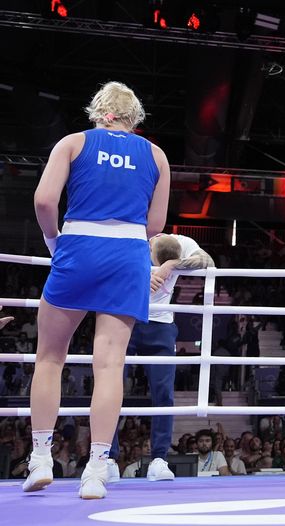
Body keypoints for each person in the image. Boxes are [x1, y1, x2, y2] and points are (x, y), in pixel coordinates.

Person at [23, 81, 170, 499]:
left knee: (50, 357)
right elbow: (155, 226)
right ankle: (97, 469)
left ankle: (40, 459)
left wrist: (55, 241)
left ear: (97, 111)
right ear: (134, 116)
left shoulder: (73, 142)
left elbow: (44, 201)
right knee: (110, 365)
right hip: (127, 254)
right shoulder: (156, 155)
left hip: (79, 248)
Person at [107, 233, 214, 482]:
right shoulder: (127, 238)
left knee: (164, 394)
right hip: (124, 318)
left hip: (161, 324)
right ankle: (107, 458)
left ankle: (159, 459)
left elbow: (206, 260)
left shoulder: (179, 242)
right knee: (110, 387)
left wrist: (171, 265)